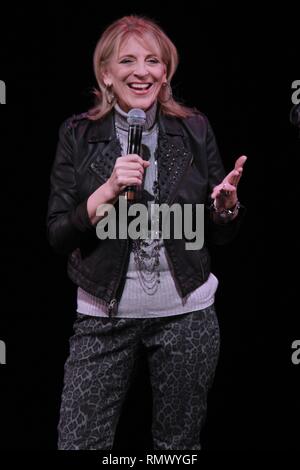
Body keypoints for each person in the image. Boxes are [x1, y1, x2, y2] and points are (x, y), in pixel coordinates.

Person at [47, 15, 247, 450]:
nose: (142, 71)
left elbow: (219, 234)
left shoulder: (194, 129)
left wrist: (224, 210)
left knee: (178, 449)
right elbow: (59, 236)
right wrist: (107, 190)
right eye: (128, 60)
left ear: (166, 72)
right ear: (106, 73)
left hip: (187, 316)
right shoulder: (78, 135)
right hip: (103, 317)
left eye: (153, 60)